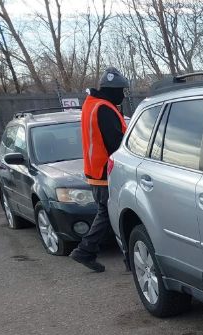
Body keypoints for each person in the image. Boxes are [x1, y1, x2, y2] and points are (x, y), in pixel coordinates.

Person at [69, 67, 129, 273]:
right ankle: (86, 250)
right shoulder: (104, 108)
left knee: (106, 214)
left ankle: (87, 251)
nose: (123, 94)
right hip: (106, 171)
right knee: (112, 214)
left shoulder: (91, 105)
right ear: (112, 90)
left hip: (96, 170)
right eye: (121, 90)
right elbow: (116, 143)